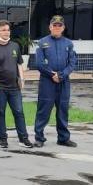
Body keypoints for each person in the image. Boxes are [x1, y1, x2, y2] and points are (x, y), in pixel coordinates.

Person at [34, 15, 78, 148]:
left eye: (60, 25)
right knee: (44, 110)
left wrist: (61, 75)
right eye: (54, 25)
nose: (57, 27)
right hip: (47, 82)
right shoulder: (42, 42)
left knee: (63, 109)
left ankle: (63, 138)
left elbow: (72, 63)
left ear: (63, 28)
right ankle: (39, 138)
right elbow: (39, 63)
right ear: (50, 27)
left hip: (63, 82)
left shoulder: (68, 44)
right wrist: (51, 74)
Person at [0, 20, 34, 149]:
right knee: (0, 112)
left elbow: (19, 63)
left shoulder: (15, 46)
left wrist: (22, 79)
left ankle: (23, 138)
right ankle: (2, 139)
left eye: (8, 29)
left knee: (19, 112)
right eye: (3, 30)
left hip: (14, 87)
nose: (6, 32)